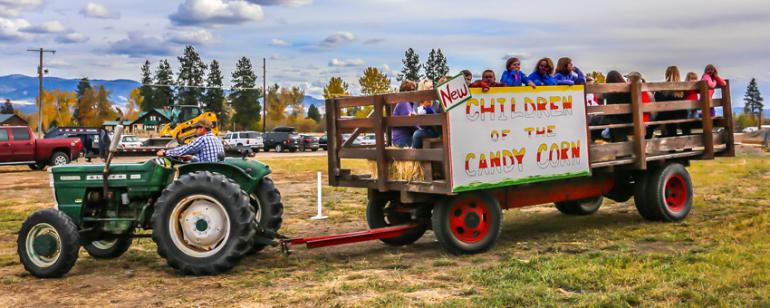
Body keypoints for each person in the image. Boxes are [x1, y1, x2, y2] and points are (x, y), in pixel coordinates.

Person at [157, 118, 224, 162]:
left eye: (197, 128)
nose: (195, 130)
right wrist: (192, 158)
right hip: (212, 172)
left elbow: (184, 149)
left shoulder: (203, 139)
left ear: (202, 128)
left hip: (204, 172)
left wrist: (165, 153)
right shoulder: (217, 139)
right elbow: (208, 160)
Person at [655, 66, 690, 136]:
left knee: (670, 126)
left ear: (666, 74)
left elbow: (657, 98)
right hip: (682, 115)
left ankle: (672, 144)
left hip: (667, 116)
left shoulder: (662, 88)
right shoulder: (683, 87)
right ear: (678, 74)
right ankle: (688, 146)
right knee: (685, 127)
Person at [392, 80, 417, 147]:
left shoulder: (410, 104)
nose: (415, 92)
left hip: (406, 138)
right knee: (422, 138)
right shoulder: (404, 102)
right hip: (403, 139)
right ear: (405, 92)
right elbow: (412, 123)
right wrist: (422, 129)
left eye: (415, 89)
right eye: (412, 90)